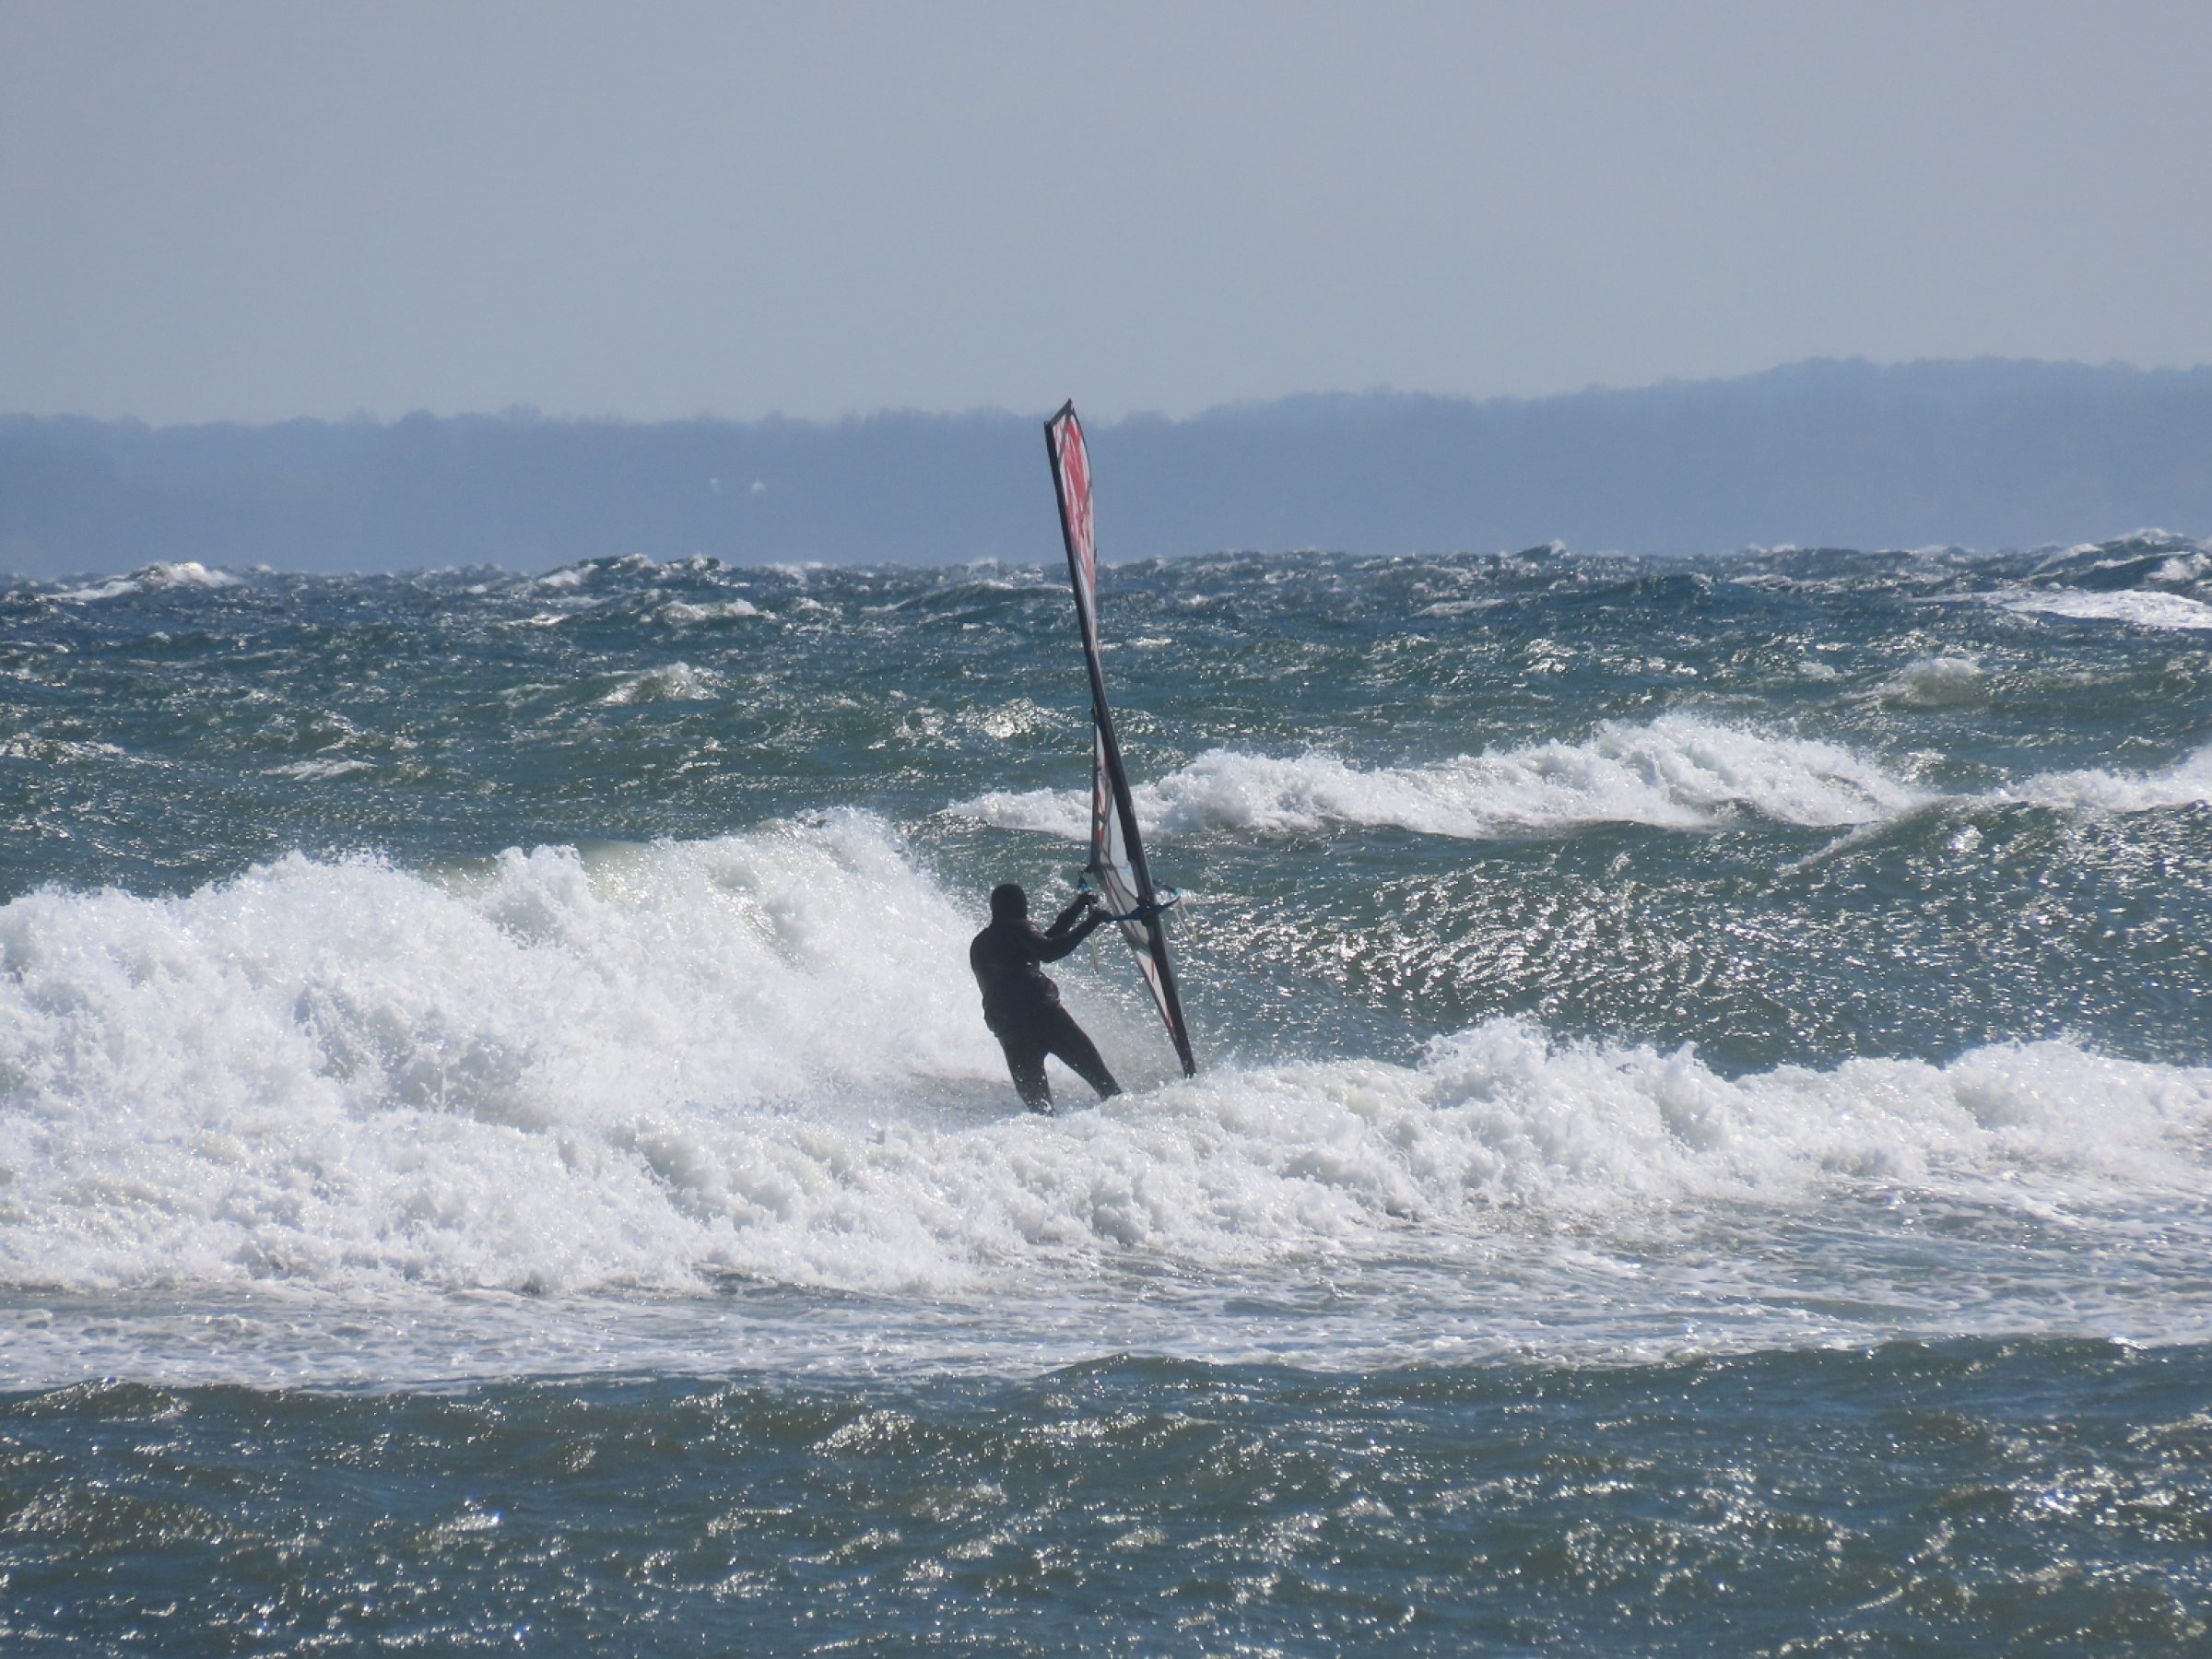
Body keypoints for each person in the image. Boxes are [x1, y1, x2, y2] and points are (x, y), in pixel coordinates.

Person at [970, 881, 1121, 1114]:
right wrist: (1092, 922)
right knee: (1106, 1086)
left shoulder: (980, 944)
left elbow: (1043, 941)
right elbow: (1049, 950)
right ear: (1018, 906)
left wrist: (1077, 909)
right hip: (1046, 1018)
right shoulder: (1017, 927)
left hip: (1010, 1032)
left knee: (1041, 1113)